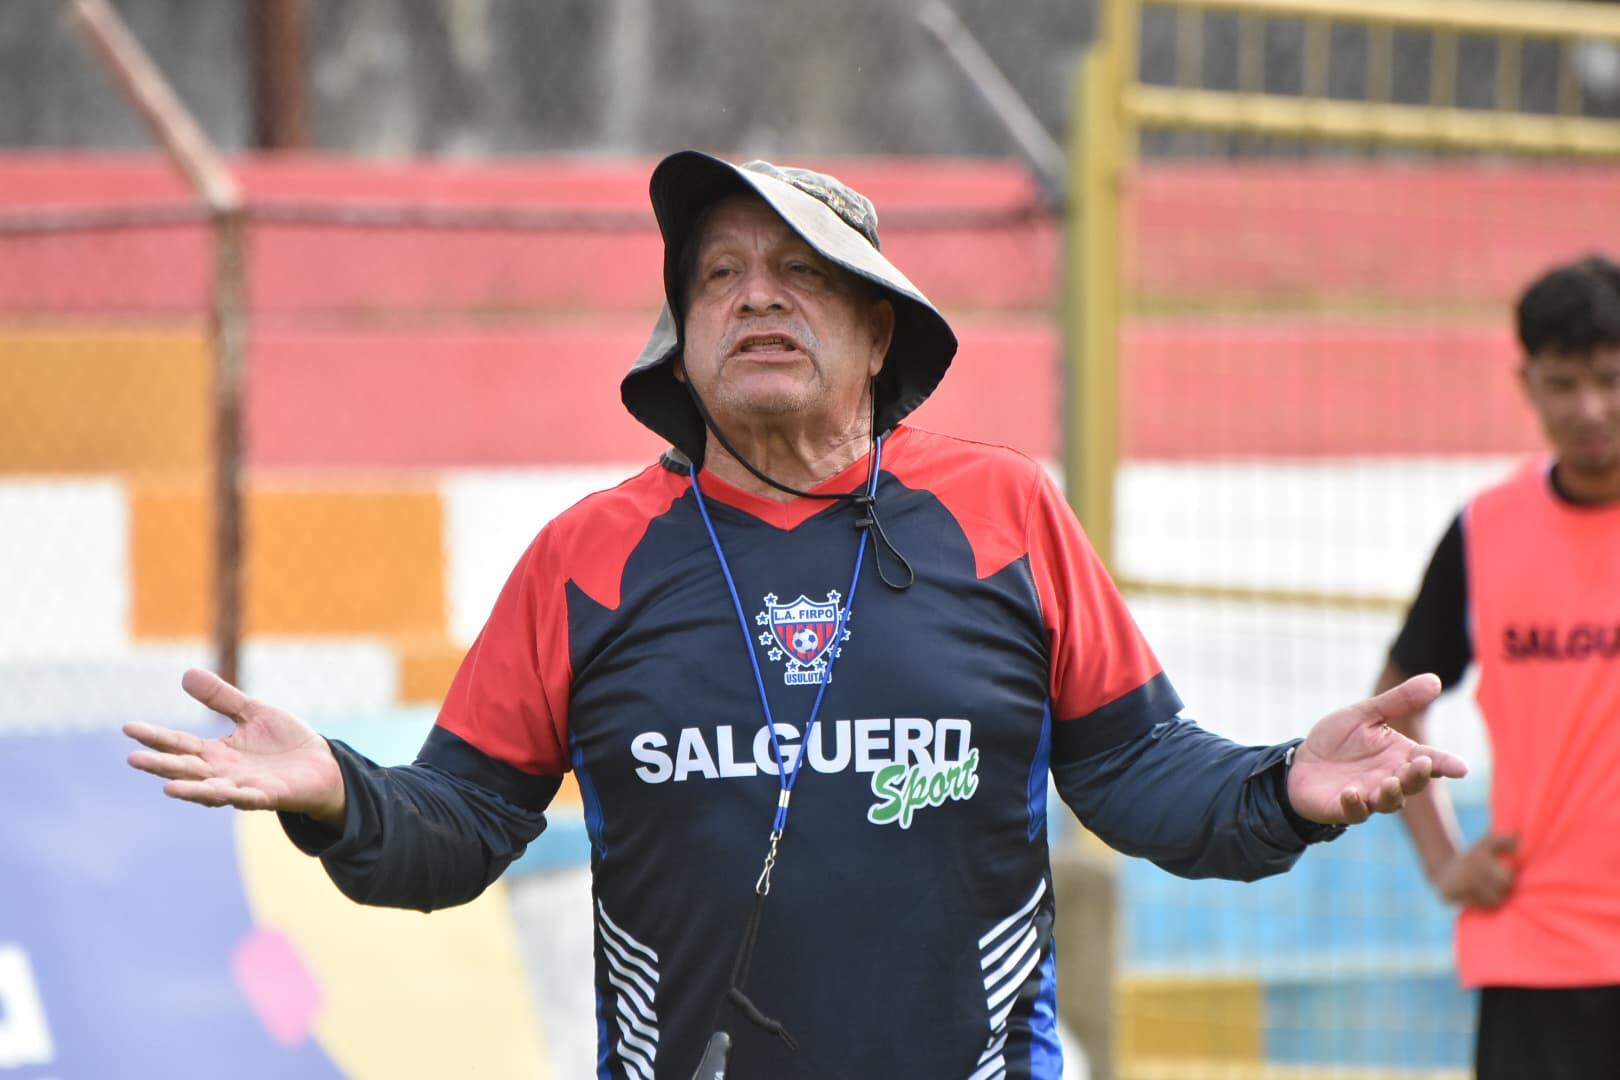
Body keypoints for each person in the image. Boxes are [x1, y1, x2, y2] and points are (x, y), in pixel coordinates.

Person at [127, 151, 1464, 1080]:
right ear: (682, 338)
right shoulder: (588, 559)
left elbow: (1140, 770)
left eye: (801, 271)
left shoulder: (1006, 514)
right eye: (717, 275)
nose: (755, 294)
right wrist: (340, 797)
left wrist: (1283, 787)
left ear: (881, 335)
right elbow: (461, 825)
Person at [1373, 254, 1620, 1080]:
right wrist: (1445, 861)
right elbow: (1393, 706)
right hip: (1535, 952)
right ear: (1527, 384)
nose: (1590, 408)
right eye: (1564, 384)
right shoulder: (1487, 531)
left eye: (1611, 379)